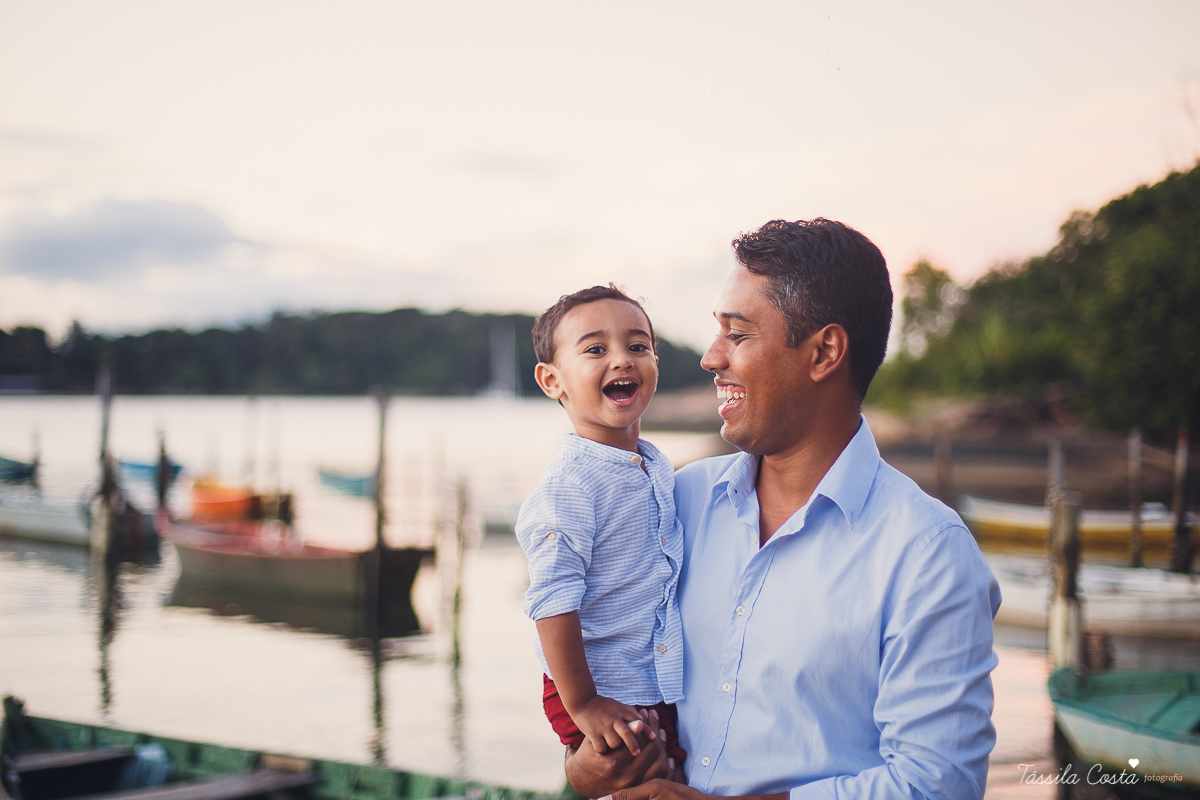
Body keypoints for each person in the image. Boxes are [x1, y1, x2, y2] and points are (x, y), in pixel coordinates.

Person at [565, 220, 1001, 800]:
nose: (710, 357)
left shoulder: (928, 552)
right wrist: (584, 768)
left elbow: (937, 786)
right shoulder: (675, 503)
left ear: (823, 352)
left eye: (737, 334)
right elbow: (607, 659)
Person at [517, 284, 688, 771]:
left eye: (638, 346)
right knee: (641, 778)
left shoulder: (651, 464)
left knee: (673, 773)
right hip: (596, 688)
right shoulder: (569, 485)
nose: (623, 360)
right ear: (553, 381)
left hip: (650, 679)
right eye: (596, 349)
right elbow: (552, 599)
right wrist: (586, 703)